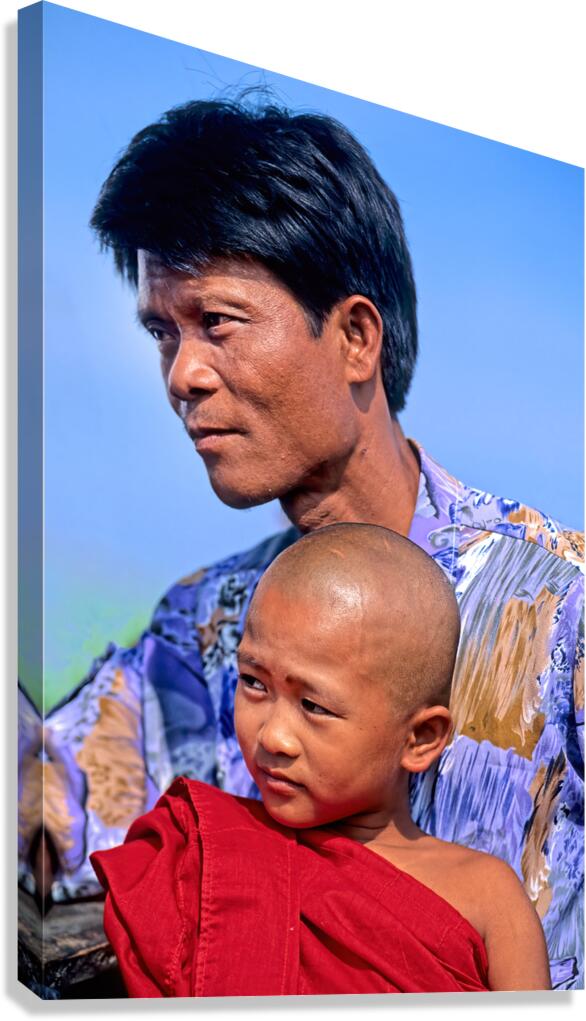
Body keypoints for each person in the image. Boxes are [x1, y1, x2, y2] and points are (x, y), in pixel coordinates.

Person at [19, 99, 583, 989]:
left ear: (356, 337)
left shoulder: (564, 607)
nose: (181, 375)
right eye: (162, 332)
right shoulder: (197, 629)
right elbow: (45, 801)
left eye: (218, 322)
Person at [90, 524, 551, 996]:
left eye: (314, 706)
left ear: (419, 739)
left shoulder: (486, 896)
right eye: (254, 683)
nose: (273, 736)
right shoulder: (199, 856)